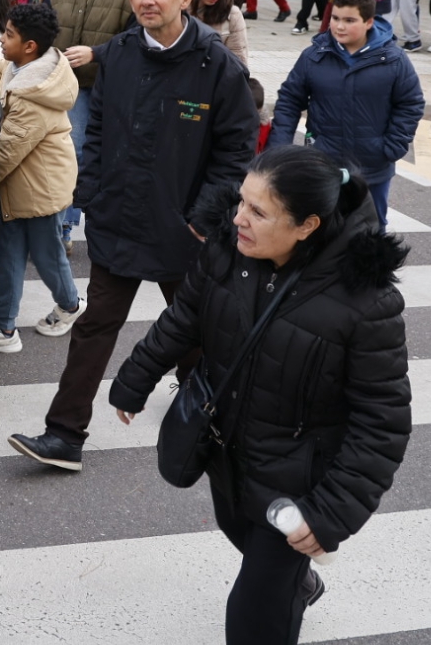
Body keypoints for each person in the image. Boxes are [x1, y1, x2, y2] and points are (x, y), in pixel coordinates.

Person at [109, 147, 411, 643]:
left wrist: (331, 512)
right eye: (242, 202)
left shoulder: (365, 302)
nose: (238, 219)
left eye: (258, 211)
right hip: (228, 454)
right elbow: (185, 315)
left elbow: (382, 422)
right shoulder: (229, 250)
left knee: (253, 616)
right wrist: (137, 376)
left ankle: (285, 583)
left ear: (307, 226)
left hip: (300, 482)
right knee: (240, 535)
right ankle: (296, 582)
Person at [9, 0, 256, 472]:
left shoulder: (217, 66)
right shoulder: (118, 54)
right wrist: (92, 192)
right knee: (95, 326)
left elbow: (237, 152)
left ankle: (214, 416)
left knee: (191, 331)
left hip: (183, 231)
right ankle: (64, 435)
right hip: (118, 220)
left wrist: (201, 220)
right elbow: (95, 131)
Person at [269, 0, 425, 228]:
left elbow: (411, 103)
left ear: (369, 22)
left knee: (370, 235)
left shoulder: (394, 60)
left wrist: (391, 147)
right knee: (320, 234)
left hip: (372, 169)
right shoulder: (314, 56)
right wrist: (279, 149)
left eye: (349, 20)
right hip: (323, 168)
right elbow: (289, 100)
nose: (339, 26)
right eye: (335, 18)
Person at [0, 1, 81, 352]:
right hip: (18, 185)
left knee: (48, 259)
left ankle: (70, 305)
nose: (1, 40)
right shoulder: (24, 64)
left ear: (30, 46)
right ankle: (5, 331)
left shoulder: (32, 96)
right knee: (8, 258)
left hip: (39, 192)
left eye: (8, 34)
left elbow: (3, 154)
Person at [50, 0, 131, 252]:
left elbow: (137, 39)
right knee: (63, 154)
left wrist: (97, 53)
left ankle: (69, 225)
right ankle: (58, 225)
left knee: (84, 154)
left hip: (104, 88)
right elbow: (46, 26)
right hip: (62, 84)